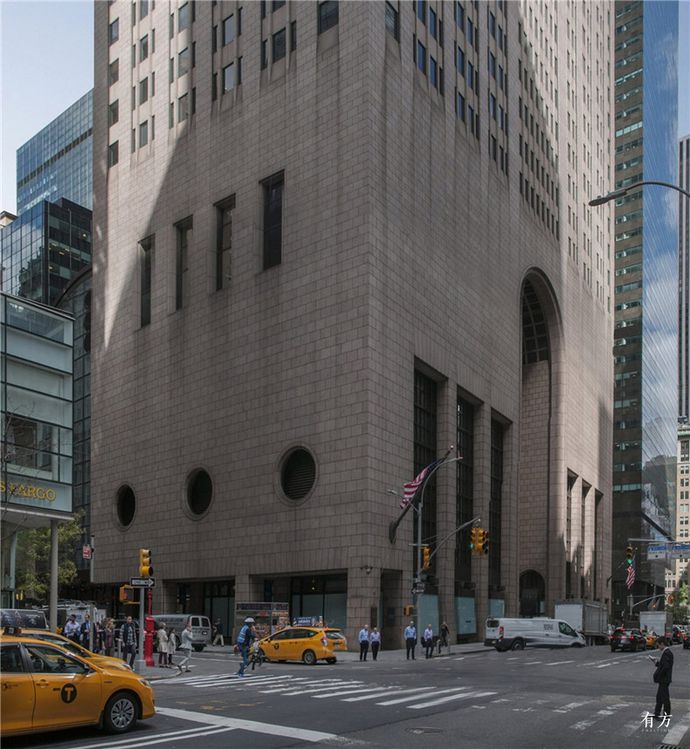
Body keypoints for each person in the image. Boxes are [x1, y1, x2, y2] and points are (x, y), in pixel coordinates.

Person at [652, 636, 674, 720]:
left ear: (662, 644)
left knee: (664, 698)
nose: (658, 647)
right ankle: (657, 714)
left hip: (664, 679)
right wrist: (656, 662)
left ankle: (666, 715)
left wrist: (658, 675)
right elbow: (663, 665)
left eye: (658, 645)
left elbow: (665, 667)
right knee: (660, 697)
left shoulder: (667, 653)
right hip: (664, 679)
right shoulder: (666, 652)